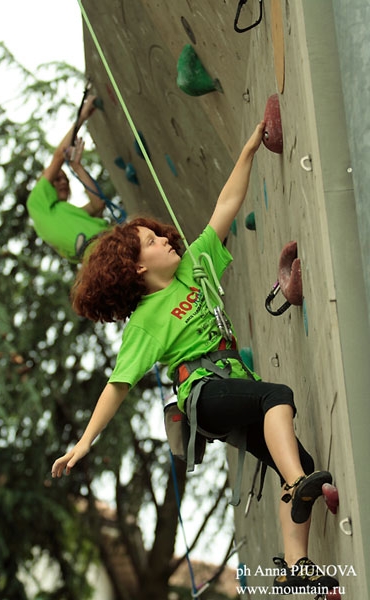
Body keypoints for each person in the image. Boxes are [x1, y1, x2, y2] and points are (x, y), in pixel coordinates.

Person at [51, 122, 339, 593]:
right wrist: (85, 441)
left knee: (299, 458)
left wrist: (248, 150)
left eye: (157, 234)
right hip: (204, 395)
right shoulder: (145, 320)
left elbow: (226, 205)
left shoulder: (196, 264)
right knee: (277, 397)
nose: (165, 239)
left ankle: (294, 569)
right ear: (138, 268)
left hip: (232, 386)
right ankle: (295, 488)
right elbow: (118, 384)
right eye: (151, 241)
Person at [27, 94, 111, 262]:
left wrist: (77, 168)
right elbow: (59, 156)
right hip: (101, 251)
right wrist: (81, 118)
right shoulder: (37, 202)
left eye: (65, 178)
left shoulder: (67, 213)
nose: (63, 181)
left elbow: (98, 204)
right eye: (56, 179)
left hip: (108, 241)